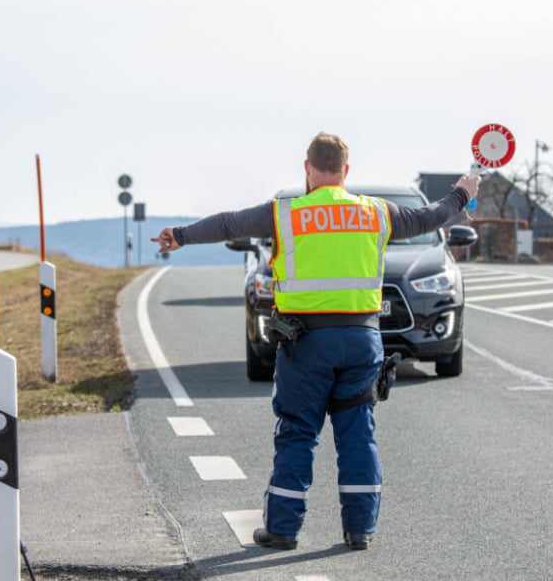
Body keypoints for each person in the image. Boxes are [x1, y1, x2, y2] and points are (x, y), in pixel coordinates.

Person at [153, 132, 478, 551]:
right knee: (357, 433)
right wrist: (460, 194)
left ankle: (284, 530)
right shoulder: (376, 213)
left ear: (307, 168)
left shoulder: (286, 214)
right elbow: (431, 217)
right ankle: (359, 530)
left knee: (298, 432)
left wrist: (180, 234)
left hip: (305, 343)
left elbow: (229, 223)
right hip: (362, 340)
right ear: (346, 172)